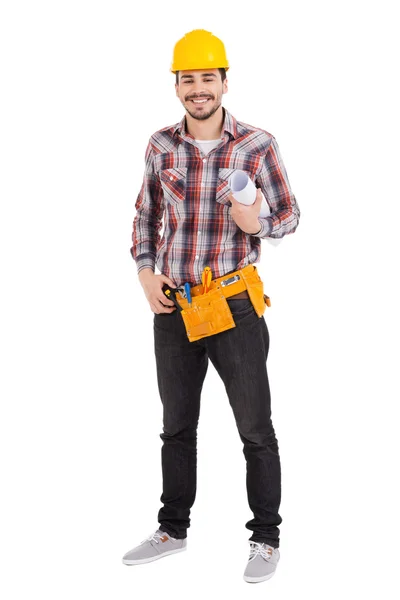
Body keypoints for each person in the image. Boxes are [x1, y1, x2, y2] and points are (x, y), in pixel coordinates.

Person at [122, 29, 300, 583]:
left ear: (224, 81)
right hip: (174, 305)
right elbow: (145, 217)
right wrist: (146, 274)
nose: (198, 89)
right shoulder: (160, 145)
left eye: (208, 78)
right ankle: (173, 528)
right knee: (177, 425)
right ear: (177, 85)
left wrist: (259, 223)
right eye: (188, 79)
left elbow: (291, 216)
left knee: (254, 427)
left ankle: (265, 538)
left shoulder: (257, 145)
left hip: (234, 305)